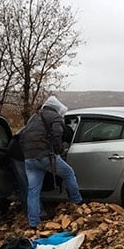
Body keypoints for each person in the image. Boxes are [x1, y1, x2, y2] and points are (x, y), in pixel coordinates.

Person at [20, 96, 82, 228]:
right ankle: (77, 202)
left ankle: (33, 222)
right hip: (45, 156)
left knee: (33, 191)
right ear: (56, 108)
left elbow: (23, 135)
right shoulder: (55, 117)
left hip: (29, 158)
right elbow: (57, 133)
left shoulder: (33, 118)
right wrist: (59, 150)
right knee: (68, 173)